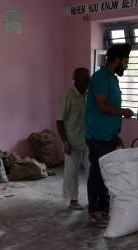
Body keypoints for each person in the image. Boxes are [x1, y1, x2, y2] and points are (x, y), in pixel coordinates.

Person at [84, 43, 134, 227]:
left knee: (107, 175)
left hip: (108, 136)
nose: (127, 65)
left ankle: (105, 209)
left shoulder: (113, 79)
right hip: (97, 137)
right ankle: (94, 211)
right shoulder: (100, 78)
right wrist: (123, 112)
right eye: (126, 61)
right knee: (97, 174)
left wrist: (115, 134)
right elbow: (103, 106)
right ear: (117, 60)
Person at [56, 67, 91, 210]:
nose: (88, 81)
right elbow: (59, 120)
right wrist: (65, 141)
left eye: (88, 78)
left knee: (93, 172)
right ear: (76, 80)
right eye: (85, 79)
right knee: (71, 173)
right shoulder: (67, 96)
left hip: (88, 140)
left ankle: (93, 200)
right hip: (72, 141)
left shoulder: (89, 95)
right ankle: (73, 201)